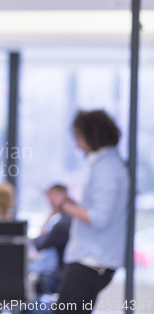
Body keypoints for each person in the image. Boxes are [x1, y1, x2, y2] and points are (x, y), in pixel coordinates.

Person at [49, 110, 129, 314]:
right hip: (93, 261)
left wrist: (63, 205)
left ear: (92, 136)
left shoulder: (107, 169)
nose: (77, 145)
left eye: (79, 138)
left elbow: (98, 218)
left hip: (91, 262)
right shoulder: (109, 165)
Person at [30, 184, 72, 294]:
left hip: (61, 277)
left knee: (30, 285)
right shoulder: (71, 219)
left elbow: (39, 244)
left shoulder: (62, 224)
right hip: (66, 272)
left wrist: (49, 216)